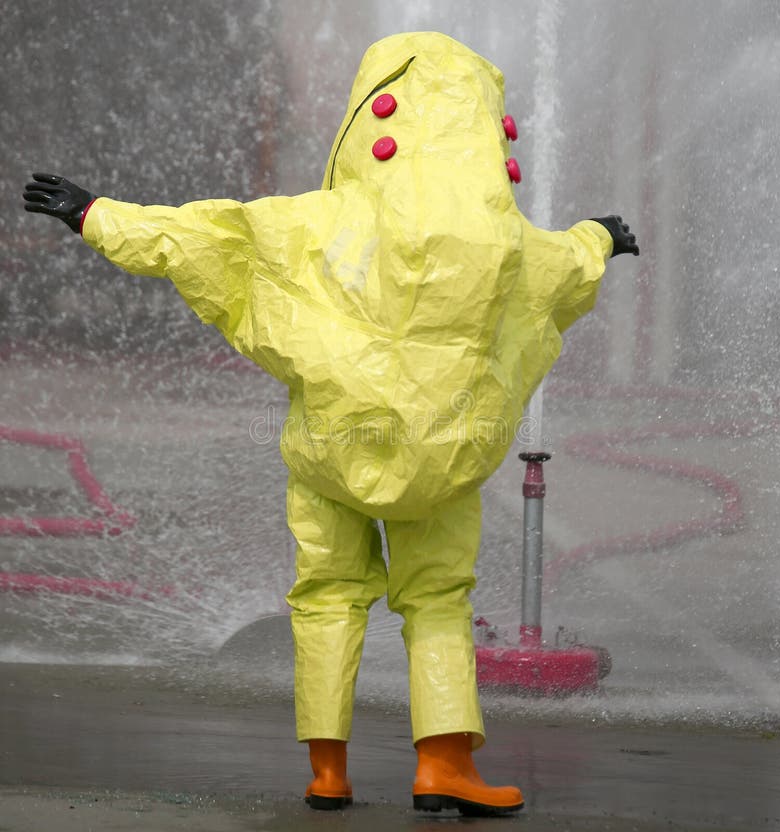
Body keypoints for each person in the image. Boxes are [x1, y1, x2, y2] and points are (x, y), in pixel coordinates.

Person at [23, 31, 638, 816]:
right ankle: (443, 765)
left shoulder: (315, 223)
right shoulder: (508, 245)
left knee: (326, 595)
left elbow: (205, 238)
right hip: (444, 459)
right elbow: (567, 262)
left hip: (333, 447)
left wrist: (93, 213)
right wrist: (603, 237)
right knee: (440, 599)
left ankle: (327, 771)